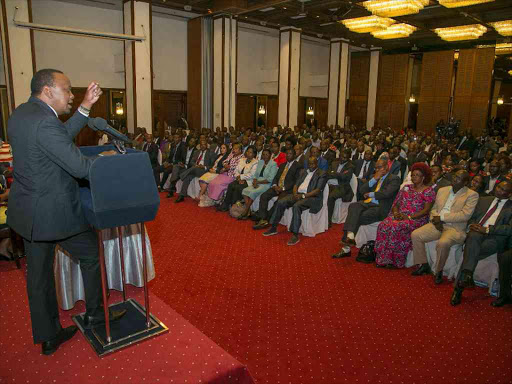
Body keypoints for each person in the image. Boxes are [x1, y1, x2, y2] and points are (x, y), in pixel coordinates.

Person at [7, 69, 125, 355]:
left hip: (28, 214)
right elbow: (80, 167)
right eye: (68, 90)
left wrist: (85, 107)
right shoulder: (45, 123)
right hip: (56, 213)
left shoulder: (21, 114)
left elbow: (55, 139)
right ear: (48, 90)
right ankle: (96, 314)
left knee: (38, 277)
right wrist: (108, 159)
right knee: (90, 254)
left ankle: (48, 336)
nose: (72, 95)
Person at [410, 170, 479, 284]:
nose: (454, 179)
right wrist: (436, 220)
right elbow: (434, 209)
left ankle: (438, 271)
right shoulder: (442, 190)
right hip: (437, 224)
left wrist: (442, 218)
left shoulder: (472, 195)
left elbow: (465, 215)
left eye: (458, 178)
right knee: (416, 234)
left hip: (455, 228)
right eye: (454, 176)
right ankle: (423, 264)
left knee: (443, 243)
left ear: (465, 182)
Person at [450, 181, 512, 306]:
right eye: (499, 187)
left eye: (503, 190)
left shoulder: (510, 207)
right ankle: (467, 276)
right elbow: (472, 217)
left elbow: (508, 229)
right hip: (476, 234)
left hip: (494, 239)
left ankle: (459, 287)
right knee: (473, 237)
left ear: (509, 194)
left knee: (470, 252)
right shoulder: (484, 200)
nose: (498, 190)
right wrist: (472, 225)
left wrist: (487, 229)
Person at [332, 159, 401, 258]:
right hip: (369, 203)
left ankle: (346, 247)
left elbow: (387, 193)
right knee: (353, 206)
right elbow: (361, 190)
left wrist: (371, 194)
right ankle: (350, 237)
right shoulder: (375, 177)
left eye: (379, 167)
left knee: (357, 216)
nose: (377, 170)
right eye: (376, 168)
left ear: (386, 167)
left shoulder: (394, 178)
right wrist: (374, 179)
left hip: (381, 207)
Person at [374, 163, 436, 268]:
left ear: (423, 177)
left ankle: (396, 261)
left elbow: (426, 210)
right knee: (383, 225)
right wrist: (396, 213)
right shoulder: (406, 187)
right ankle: (384, 258)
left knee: (395, 227)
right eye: (413, 175)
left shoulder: (428, 191)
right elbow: (396, 204)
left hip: (416, 219)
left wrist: (410, 217)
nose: (414, 177)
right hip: (400, 216)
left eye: (417, 175)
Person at [263, 156, 327, 246]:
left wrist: (303, 196)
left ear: (317, 164)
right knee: (281, 202)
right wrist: (295, 193)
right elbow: (296, 184)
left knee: (297, 206)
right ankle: (273, 227)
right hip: (298, 194)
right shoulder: (304, 171)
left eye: (313, 164)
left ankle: (295, 234)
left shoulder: (322, 173)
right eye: (309, 164)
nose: (311, 166)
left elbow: (317, 190)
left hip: (312, 197)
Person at [252, 149, 303, 230]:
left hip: (287, 190)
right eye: (287, 153)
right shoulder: (283, 165)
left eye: (290, 153)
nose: (288, 155)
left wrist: (282, 188)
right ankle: (263, 218)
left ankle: (267, 220)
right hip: (277, 187)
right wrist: (275, 185)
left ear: (294, 155)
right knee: (264, 196)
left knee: (278, 202)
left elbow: (296, 182)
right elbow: (276, 177)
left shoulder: (298, 166)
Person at [240, 148, 278, 220]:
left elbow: (270, 179)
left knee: (253, 192)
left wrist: (258, 182)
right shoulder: (260, 162)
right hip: (257, 182)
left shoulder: (273, 164)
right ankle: (249, 211)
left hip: (266, 184)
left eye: (267, 154)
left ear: (270, 155)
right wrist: (254, 181)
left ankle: (246, 211)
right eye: (263, 154)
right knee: (244, 191)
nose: (265, 156)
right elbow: (256, 174)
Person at [218, 146, 258, 212]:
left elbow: (252, 174)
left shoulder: (256, 162)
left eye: (250, 152)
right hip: (238, 179)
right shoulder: (242, 159)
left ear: (254, 154)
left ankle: (233, 205)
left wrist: (241, 177)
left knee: (238, 187)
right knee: (231, 185)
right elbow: (236, 170)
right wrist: (239, 178)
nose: (248, 153)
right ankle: (226, 204)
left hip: (248, 181)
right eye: (247, 151)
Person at [326, 148, 355, 227]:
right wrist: (339, 174)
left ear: (348, 158)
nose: (343, 159)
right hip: (329, 185)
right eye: (342, 156)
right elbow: (328, 173)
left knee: (331, 197)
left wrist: (334, 173)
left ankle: (328, 221)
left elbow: (346, 178)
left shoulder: (350, 166)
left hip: (342, 187)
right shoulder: (334, 163)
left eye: (345, 158)